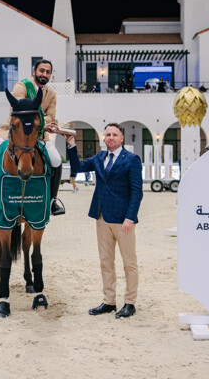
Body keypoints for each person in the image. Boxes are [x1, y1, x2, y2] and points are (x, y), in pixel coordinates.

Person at [64, 123, 143, 318]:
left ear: (122, 138)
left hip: (123, 220)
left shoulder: (132, 159)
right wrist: (72, 145)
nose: (111, 138)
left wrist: (130, 218)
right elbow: (77, 167)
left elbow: (137, 191)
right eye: (108, 134)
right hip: (101, 217)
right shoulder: (100, 157)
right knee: (106, 262)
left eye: (114, 134)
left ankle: (130, 303)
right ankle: (109, 301)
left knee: (129, 263)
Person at [0, 59, 65, 215]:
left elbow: (52, 116)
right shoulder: (21, 87)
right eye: (41, 70)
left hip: (40, 134)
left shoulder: (51, 93)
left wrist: (40, 125)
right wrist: (42, 122)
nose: (44, 74)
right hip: (14, 131)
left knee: (56, 160)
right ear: (34, 72)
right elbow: (20, 112)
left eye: (48, 72)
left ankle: (53, 200)